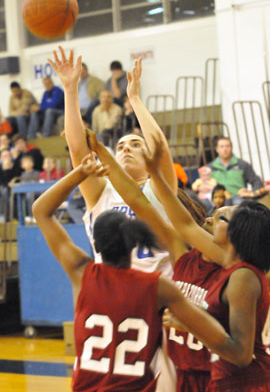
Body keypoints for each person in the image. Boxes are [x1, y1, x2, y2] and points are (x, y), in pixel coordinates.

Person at [32, 153, 244, 392]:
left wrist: (81, 172)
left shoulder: (82, 273)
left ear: (96, 246)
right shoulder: (158, 286)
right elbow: (219, 338)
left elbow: (40, 210)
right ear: (134, 244)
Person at [87, 132, 270, 392]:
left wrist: (189, 323)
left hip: (235, 380)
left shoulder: (242, 274)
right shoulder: (185, 256)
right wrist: (102, 152)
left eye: (218, 218)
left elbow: (240, 355)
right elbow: (139, 202)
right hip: (186, 371)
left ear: (237, 234)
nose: (206, 220)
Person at [48, 47, 177, 277]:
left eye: (136, 144)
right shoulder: (101, 191)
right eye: (120, 146)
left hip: (158, 299)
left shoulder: (158, 189)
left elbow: (160, 147)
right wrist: (70, 89)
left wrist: (135, 100)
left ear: (149, 160)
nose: (126, 147)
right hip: (111, 297)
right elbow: (77, 149)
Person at [208, 137, 263, 201]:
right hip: (218, 201)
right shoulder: (210, 168)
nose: (225, 149)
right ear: (217, 149)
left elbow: (256, 181)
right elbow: (201, 184)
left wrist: (253, 194)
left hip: (238, 199)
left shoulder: (242, 165)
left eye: (227, 146)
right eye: (222, 147)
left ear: (231, 148)